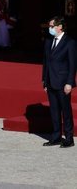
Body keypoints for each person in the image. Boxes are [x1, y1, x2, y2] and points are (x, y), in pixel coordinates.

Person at [42, 16, 76, 148]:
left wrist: (69, 83)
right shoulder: (48, 41)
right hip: (50, 81)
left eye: (52, 26)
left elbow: (72, 65)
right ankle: (56, 137)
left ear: (60, 27)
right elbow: (46, 62)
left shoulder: (69, 42)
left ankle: (69, 138)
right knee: (54, 111)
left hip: (63, 83)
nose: (50, 29)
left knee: (66, 111)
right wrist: (44, 80)